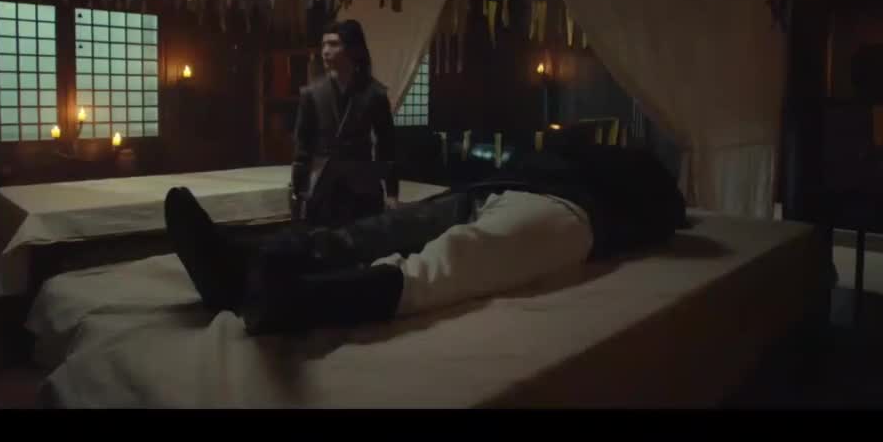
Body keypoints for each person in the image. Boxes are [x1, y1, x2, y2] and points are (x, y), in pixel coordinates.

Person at [164, 142, 688, 335]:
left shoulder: (629, 194)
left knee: (438, 271)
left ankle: (293, 302)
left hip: (562, 212)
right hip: (500, 188)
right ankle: (237, 266)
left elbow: (662, 212)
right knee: (368, 233)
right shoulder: (597, 165)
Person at [291, 19, 398, 227]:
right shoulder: (311, 94)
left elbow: (387, 145)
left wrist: (392, 192)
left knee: (364, 241)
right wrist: (299, 192)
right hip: (323, 187)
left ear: (353, 48)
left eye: (333, 44)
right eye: (323, 44)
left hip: (363, 186)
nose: (325, 51)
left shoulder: (374, 93)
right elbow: (302, 147)